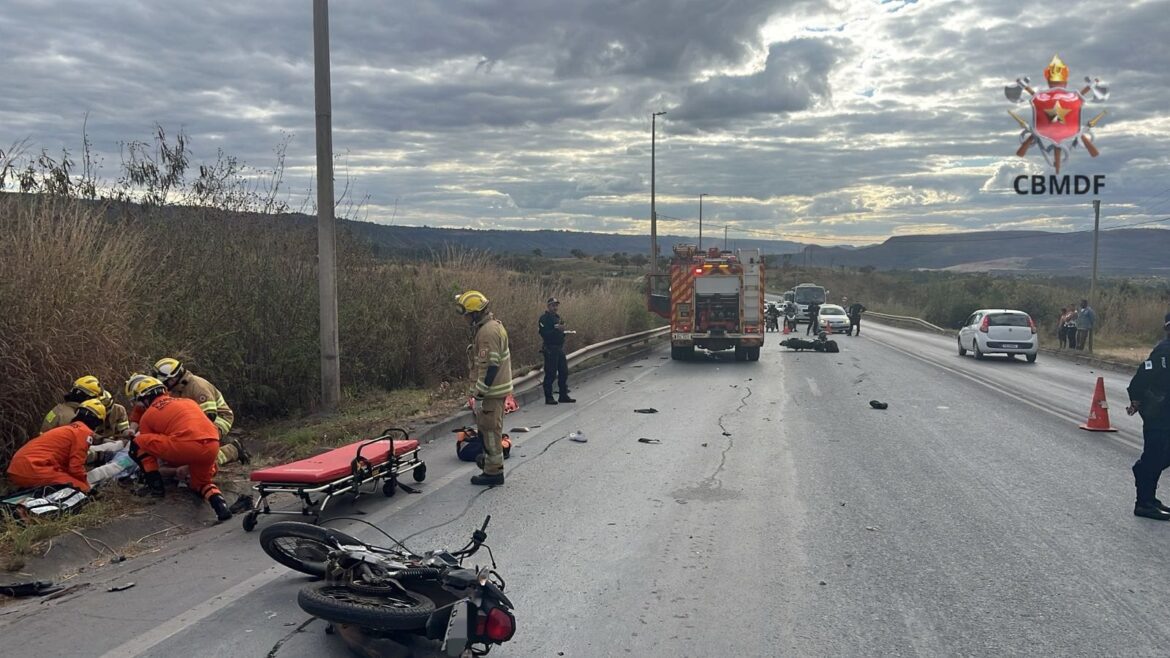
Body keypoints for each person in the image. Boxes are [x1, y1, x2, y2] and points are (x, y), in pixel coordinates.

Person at [125, 374, 232, 521]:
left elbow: (149, 448)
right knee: (200, 483)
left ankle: (155, 488)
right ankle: (220, 505)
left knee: (138, 442)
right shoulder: (188, 401)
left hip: (185, 446)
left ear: (144, 398)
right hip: (212, 444)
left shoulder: (148, 416)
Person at [456, 291, 512, 486]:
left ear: (474, 313)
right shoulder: (493, 326)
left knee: (489, 432)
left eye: (466, 315)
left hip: (491, 392)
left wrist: (479, 393)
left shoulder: (487, 332)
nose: (464, 319)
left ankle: (493, 472)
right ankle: (491, 465)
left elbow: (490, 366)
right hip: (496, 390)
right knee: (490, 431)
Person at [151, 358, 247, 465]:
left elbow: (210, 415)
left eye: (164, 381)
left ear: (172, 378)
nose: (164, 385)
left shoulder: (197, 386)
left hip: (220, 418)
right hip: (197, 422)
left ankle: (232, 451)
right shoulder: (176, 389)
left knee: (203, 452)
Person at [8, 399, 106, 493]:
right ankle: (25, 506)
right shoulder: (83, 432)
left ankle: (26, 492)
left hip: (18, 468)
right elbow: (75, 467)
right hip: (33, 469)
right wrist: (86, 485)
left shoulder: (68, 429)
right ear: (96, 422)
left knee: (66, 478)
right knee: (81, 488)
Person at [1126, 313, 1170, 520]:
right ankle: (1143, 503)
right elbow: (1143, 375)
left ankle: (1149, 497)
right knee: (1155, 455)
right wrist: (1135, 398)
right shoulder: (1164, 351)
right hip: (1159, 413)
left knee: (1160, 456)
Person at [42, 375, 131, 444]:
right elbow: (85, 438)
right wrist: (107, 443)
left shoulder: (62, 408)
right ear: (88, 397)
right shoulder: (73, 417)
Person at [538, 297, 574, 405]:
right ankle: (549, 397)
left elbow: (560, 332)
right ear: (548, 306)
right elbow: (544, 334)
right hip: (550, 348)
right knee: (550, 374)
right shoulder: (543, 319)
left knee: (564, 372)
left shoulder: (558, 317)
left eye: (556, 305)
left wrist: (563, 332)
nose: (555, 308)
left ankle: (563, 395)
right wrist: (556, 330)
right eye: (553, 305)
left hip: (559, 348)